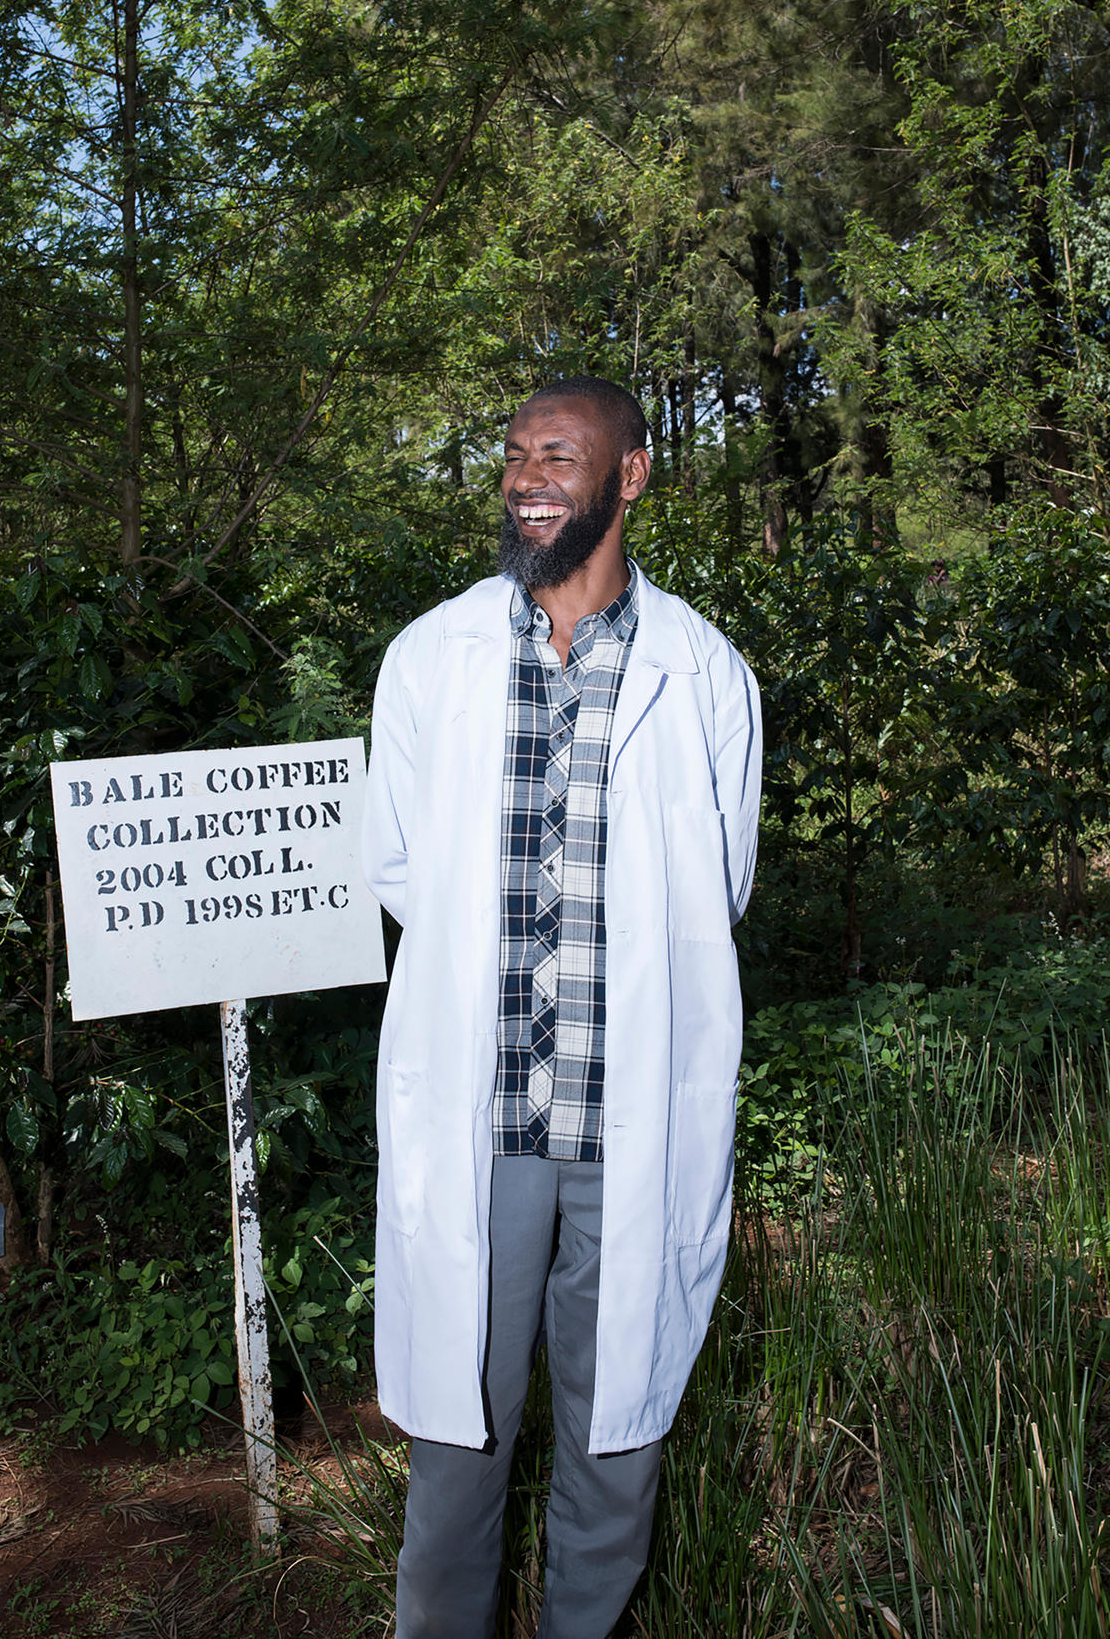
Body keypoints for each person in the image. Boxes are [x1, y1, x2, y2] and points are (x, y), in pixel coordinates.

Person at [360, 377, 760, 1636]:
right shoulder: (431, 658)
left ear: (628, 476)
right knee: (455, 1451)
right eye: (516, 454)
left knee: (613, 1442)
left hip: (627, 1120)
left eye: (560, 453)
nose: (528, 475)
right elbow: (399, 872)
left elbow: (720, 884)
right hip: (482, 1131)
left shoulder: (704, 673)